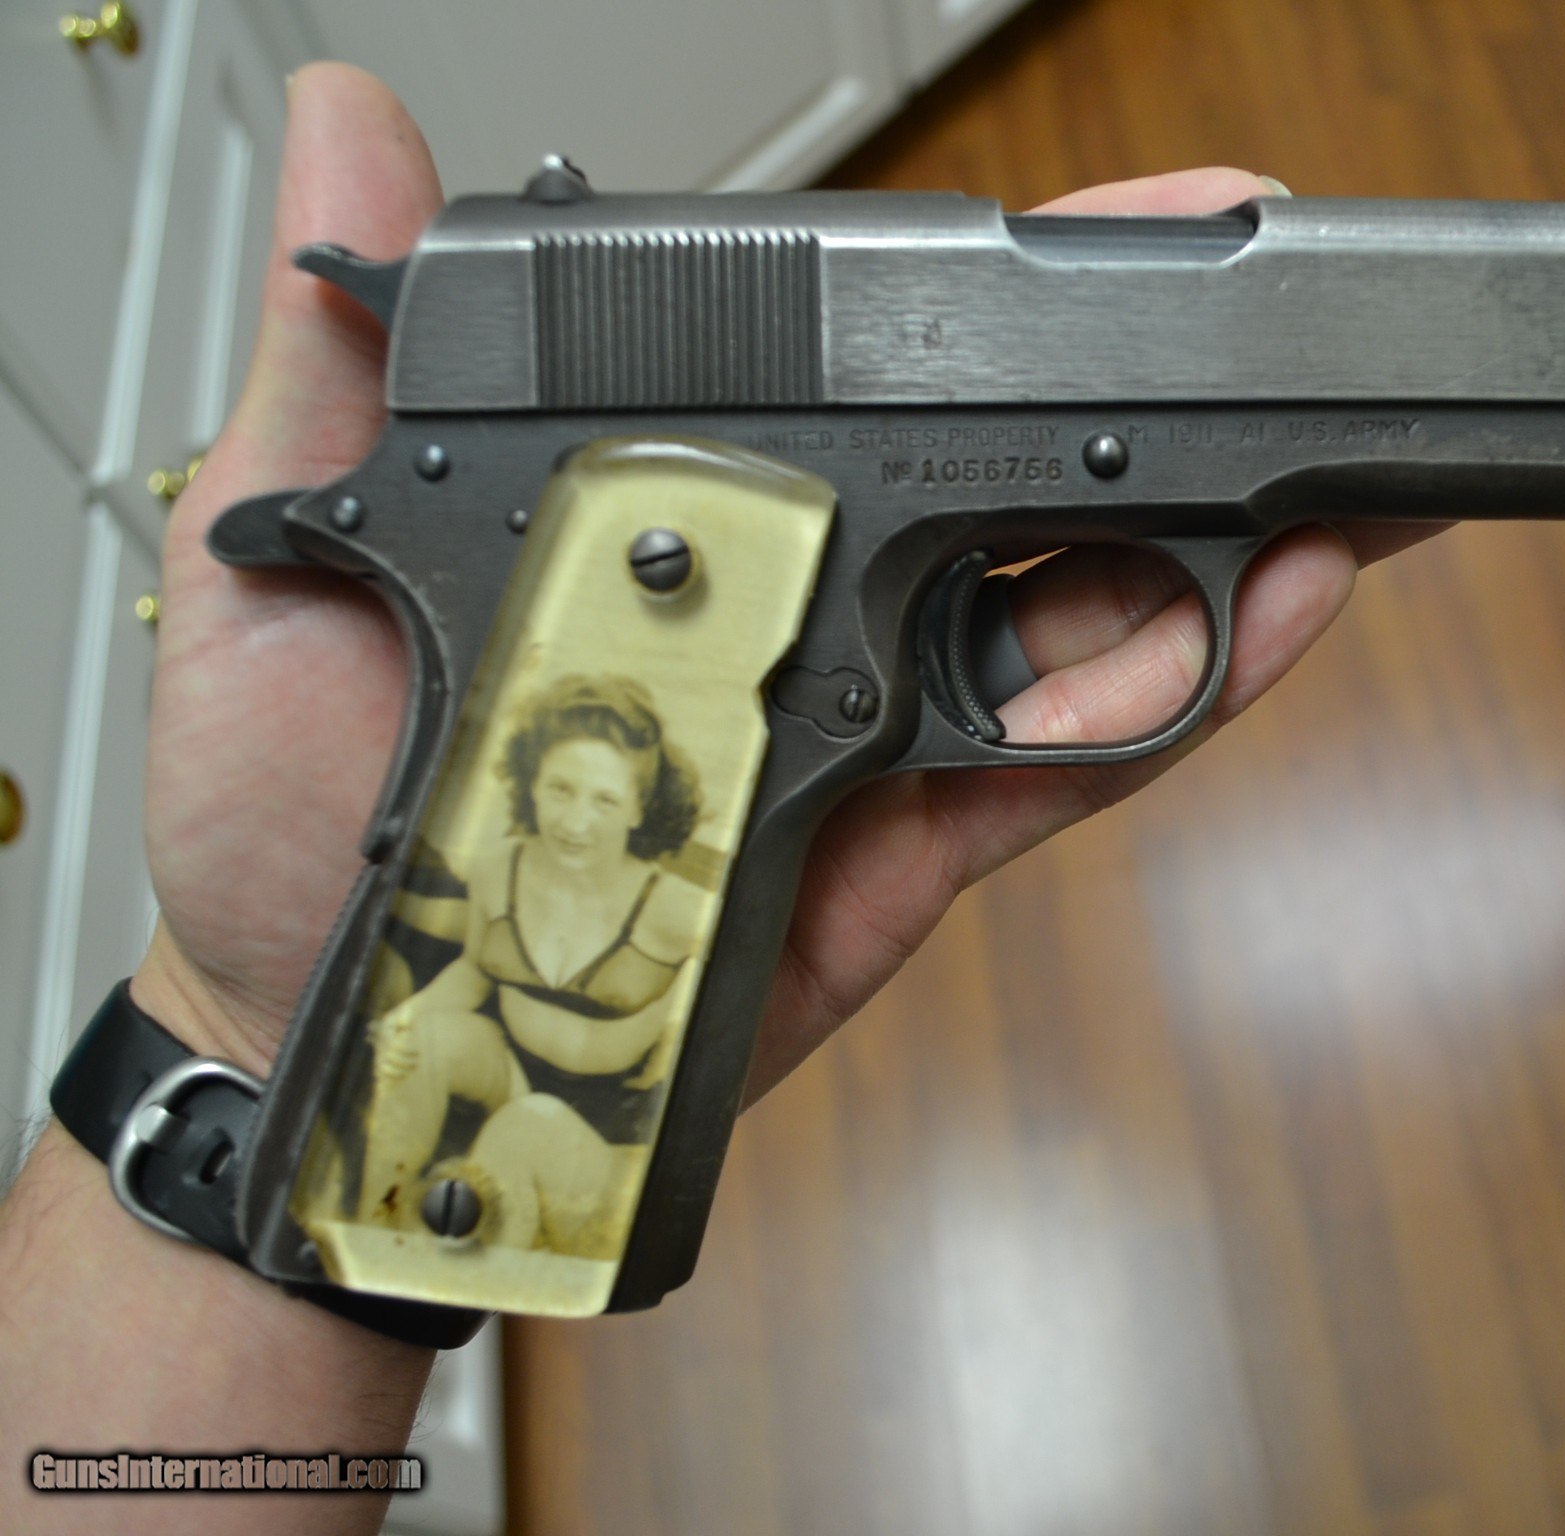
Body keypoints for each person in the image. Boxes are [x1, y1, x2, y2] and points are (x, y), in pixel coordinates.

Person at [0, 64, 1397, 1536]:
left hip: (669, 449)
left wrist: (234, 1052)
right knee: (472, 1168)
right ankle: (435, 1205)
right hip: (670, 472)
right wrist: (245, 1042)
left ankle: (420, 1208)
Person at [359, 674, 709, 1254]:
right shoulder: (499, 869)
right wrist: (403, 1023)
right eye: (560, 790)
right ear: (533, 786)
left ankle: (458, 1269)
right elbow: (474, 972)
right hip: (515, 1078)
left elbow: (719, 1024)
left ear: (638, 809)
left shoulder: (675, 911)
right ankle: (375, 1227)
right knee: (421, 1041)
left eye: (604, 800)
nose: (574, 822)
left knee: (527, 1128)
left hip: (613, 1132)